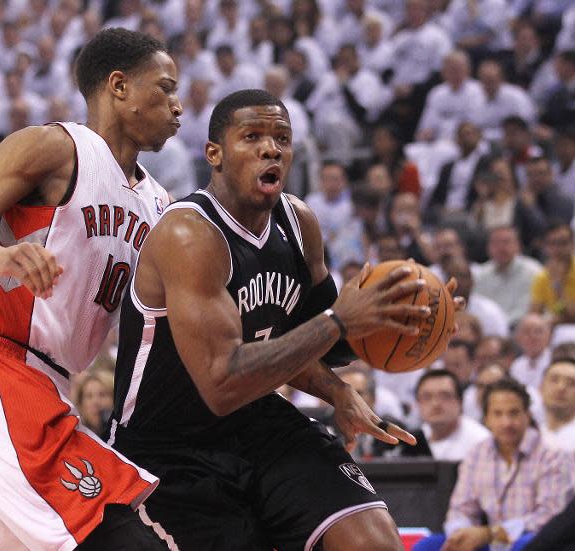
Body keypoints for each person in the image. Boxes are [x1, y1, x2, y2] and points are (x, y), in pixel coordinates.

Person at [110, 89, 459, 551]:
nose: (271, 148)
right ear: (214, 154)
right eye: (252, 136)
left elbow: (320, 344)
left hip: (259, 421)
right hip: (169, 447)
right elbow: (222, 382)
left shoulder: (299, 223)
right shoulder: (189, 234)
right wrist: (339, 321)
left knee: (374, 543)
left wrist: (400, 320)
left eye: (281, 138)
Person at [0, 28, 182, 550]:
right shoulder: (56, 149)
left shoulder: (161, 205)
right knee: (126, 538)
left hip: (52, 390)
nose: (178, 106)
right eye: (166, 88)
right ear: (119, 86)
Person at [413, 378, 574, 551]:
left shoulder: (553, 454)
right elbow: (461, 508)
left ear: (528, 416)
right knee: (428, 545)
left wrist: (492, 533)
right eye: (498, 414)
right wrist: (460, 534)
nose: (507, 423)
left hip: (530, 541)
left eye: (514, 413)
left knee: (526, 544)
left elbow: (550, 517)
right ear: (486, 419)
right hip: (486, 542)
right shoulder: (476, 454)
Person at [414, 369, 490, 461]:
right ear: (417, 403)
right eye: (427, 397)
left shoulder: (481, 442)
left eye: (445, 396)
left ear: (460, 402)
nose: (435, 403)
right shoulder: (416, 438)